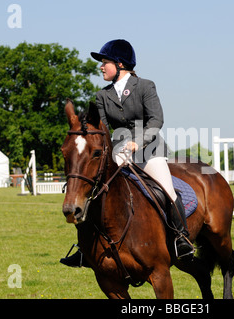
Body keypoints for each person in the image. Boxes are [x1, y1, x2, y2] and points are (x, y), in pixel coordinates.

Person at [60, 39, 194, 267]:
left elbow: (156, 120)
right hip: (119, 152)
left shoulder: (145, 86)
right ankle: (84, 249)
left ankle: (181, 239)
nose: (101, 67)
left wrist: (137, 142)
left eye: (105, 62)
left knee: (168, 191)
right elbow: (100, 128)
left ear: (120, 64)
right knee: (93, 190)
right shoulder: (102, 96)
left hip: (150, 150)